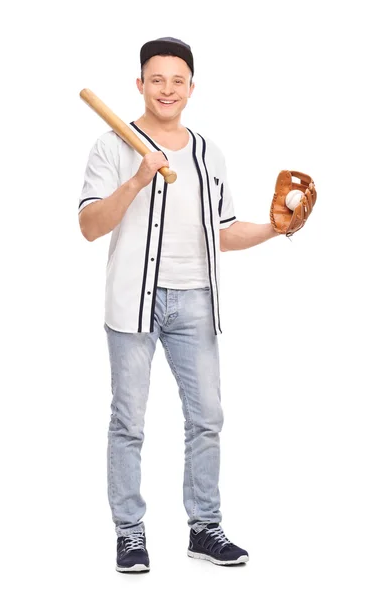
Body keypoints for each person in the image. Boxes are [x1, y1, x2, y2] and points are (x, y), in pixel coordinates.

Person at [78, 37, 279, 573]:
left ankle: (204, 528)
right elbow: (89, 227)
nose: (167, 89)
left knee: (207, 418)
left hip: (196, 303)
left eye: (178, 80)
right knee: (128, 422)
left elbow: (226, 233)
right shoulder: (112, 146)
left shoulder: (210, 153)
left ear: (192, 87)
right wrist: (138, 178)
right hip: (132, 305)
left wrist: (277, 228)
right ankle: (130, 533)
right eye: (156, 79)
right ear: (139, 85)